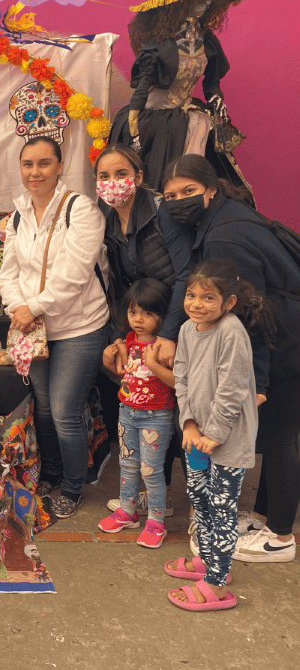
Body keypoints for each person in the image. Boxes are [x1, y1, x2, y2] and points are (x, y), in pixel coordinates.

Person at [161, 154, 300, 562]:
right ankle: (263, 517)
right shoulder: (232, 216)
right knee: (282, 437)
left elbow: (250, 312)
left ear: (211, 189)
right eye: (170, 196)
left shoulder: (225, 235)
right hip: (288, 339)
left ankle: (279, 538)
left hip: (287, 345)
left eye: (188, 191)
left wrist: (256, 381)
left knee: (278, 441)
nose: (178, 201)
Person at [0, 136, 109, 519]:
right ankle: (52, 472)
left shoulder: (82, 210)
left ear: (60, 165)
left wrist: (34, 308)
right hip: (34, 327)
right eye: (28, 164)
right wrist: (17, 307)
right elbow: (7, 273)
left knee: (64, 410)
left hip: (80, 326)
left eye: (44, 163)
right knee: (42, 407)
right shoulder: (17, 215)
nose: (35, 172)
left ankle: (75, 486)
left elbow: (74, 276)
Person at [95, 144, 193, 517]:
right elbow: (120, 284)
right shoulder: (106, 217)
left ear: (138, 176)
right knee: (150, 405)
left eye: (121, 174)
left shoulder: (161, 212)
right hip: (144, 327)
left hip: (180, 322)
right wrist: (122, 335)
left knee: (184, 410)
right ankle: (158, 500)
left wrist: (170, 333)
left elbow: (185, 272)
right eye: (104, 176)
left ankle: (201, 509)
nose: (113, 183)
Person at [166, 259, 270, 611]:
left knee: (222, 508)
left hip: (226, 439)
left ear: (228, 303)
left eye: (208, 298)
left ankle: (218, 582)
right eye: (192, 295)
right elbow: (181, 377)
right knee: (199, 497)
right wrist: (189, 423)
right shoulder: (185, 330)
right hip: (196, 436)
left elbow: (233, 387)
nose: (197, 304)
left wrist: (215, 432)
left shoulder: (231, 331)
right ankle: (208, 561)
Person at [108, 0, 259, 193]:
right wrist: (133, 127)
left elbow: (211, 82)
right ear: (180, 0)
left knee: (196, 178)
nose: (204, 3)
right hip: (153, 124)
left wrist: (216, 98)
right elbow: (142, 88)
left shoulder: (207, 43)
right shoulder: (158, 45)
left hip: (188, 120)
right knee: (154, 183)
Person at [99, 279, 176, 548]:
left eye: (147, 314)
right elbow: (125, 375)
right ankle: (128, 512)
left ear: (162, 316)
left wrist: (153, 363)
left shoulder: (166, 346)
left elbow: (177, 381)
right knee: (128, 465)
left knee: (151, 472)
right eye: (133, 312)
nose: (138, 320)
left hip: (156, 416)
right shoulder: (129, 341)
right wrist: (109, 361)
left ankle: (156, 521)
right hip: (126, 412)